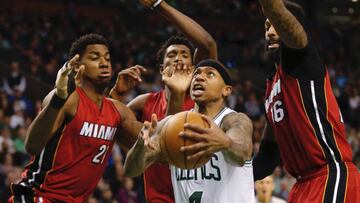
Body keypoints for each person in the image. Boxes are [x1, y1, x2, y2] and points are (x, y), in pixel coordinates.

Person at [8, 33, 143, 202]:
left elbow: (146, 145)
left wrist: (117, 94)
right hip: (39, 196)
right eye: (95, 58)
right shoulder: (68, 98)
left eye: (107, 58)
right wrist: (59, 98)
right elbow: (32, 146)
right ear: (78, 65)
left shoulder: (118, 110)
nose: (104, 63)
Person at [109, 0, 217, 202]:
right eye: (172, 55)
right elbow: (109, 122)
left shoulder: (204, 95)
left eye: (185, 55)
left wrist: (159, 4)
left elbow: (208, 44)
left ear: (193, 69)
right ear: (161, 69)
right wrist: (116, 93)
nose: (178, 58)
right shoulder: (145, 102)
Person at [253, 0, 360, 202]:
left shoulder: (302, 59)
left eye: (276, 23)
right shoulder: (271, 88)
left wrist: (271, 7)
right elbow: (267, 159)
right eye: (266, 26)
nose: (270, 32)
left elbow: (279, 15)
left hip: (330, 174)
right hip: (301, 186)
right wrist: (227, 175)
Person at [124, 59, 255, 202]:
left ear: (226, 90)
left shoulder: (234, 120)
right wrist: (140, 146)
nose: (199, 77)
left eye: (210, 74)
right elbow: (131, 170)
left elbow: (242, 153)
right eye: (196, 73)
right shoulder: (171, 125)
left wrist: (226, 143)